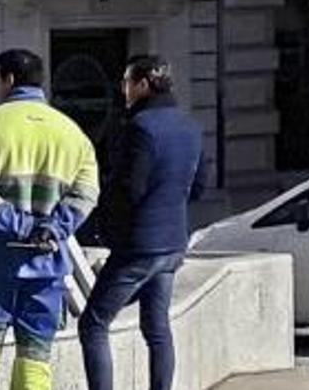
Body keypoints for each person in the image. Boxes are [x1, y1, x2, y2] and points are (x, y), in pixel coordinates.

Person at [0, 49, 100, 390]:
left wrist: (19, 225)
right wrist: (52, 227)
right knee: (35, 363)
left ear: (9, 79)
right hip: (47, 267)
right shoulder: (73, 134)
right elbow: (86, 195)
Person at [80, 55, 208, 390]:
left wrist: (102, 227)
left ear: (142, 84)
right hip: (173, 243)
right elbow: (199, 187)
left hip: (139, 246)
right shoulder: (189, 125)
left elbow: (128, 189)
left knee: (93, 324)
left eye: (126, 82)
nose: (123, 89)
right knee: (157, 328)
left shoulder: (140, 127)